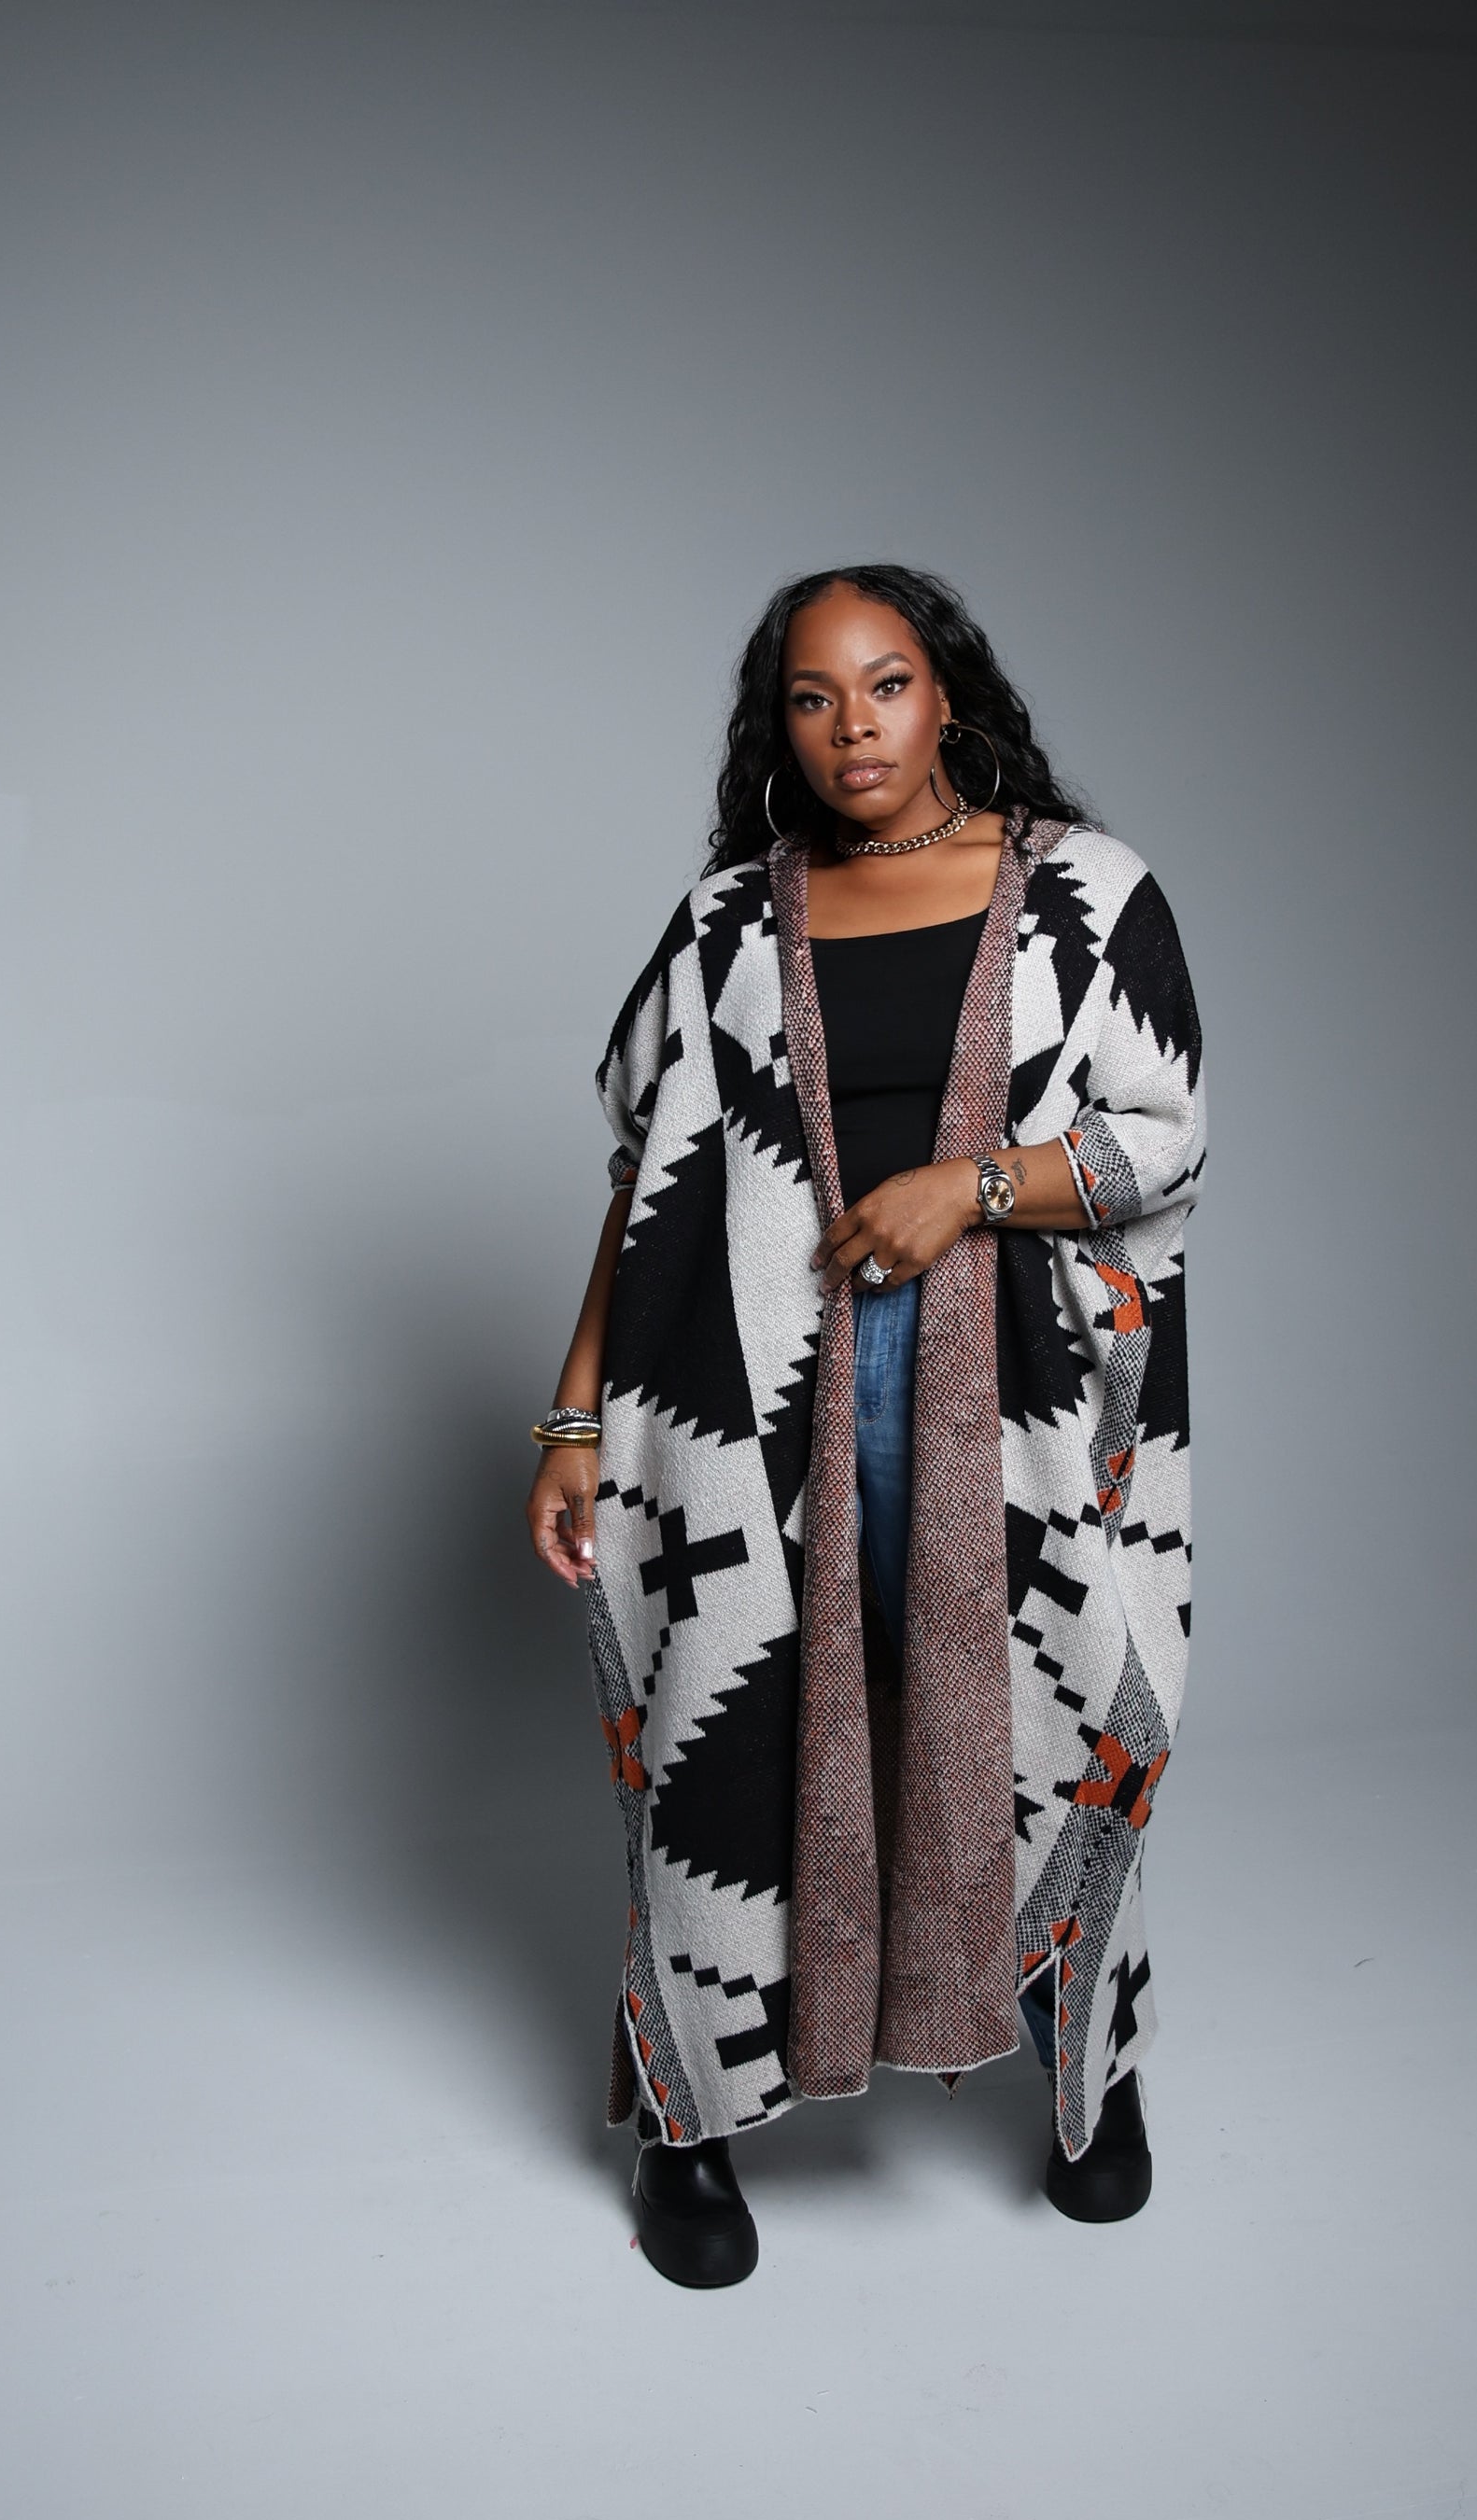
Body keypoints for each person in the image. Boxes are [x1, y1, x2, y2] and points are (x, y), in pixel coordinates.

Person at [526, 565, 1204, 2288]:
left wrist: (963, 1188)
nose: (853, 728)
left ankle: (1088, 2064)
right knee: (730, 1730)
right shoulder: (727, 924)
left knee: (1044, 1714)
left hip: (1013, 1401)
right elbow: (644, 1178)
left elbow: (1160, 1137)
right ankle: (685, 2117)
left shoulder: (1087, 894)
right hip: (742, 1408)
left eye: (886, 684)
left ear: (946, 694)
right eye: (813, 698)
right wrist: (574, 1415)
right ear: (781, 725)